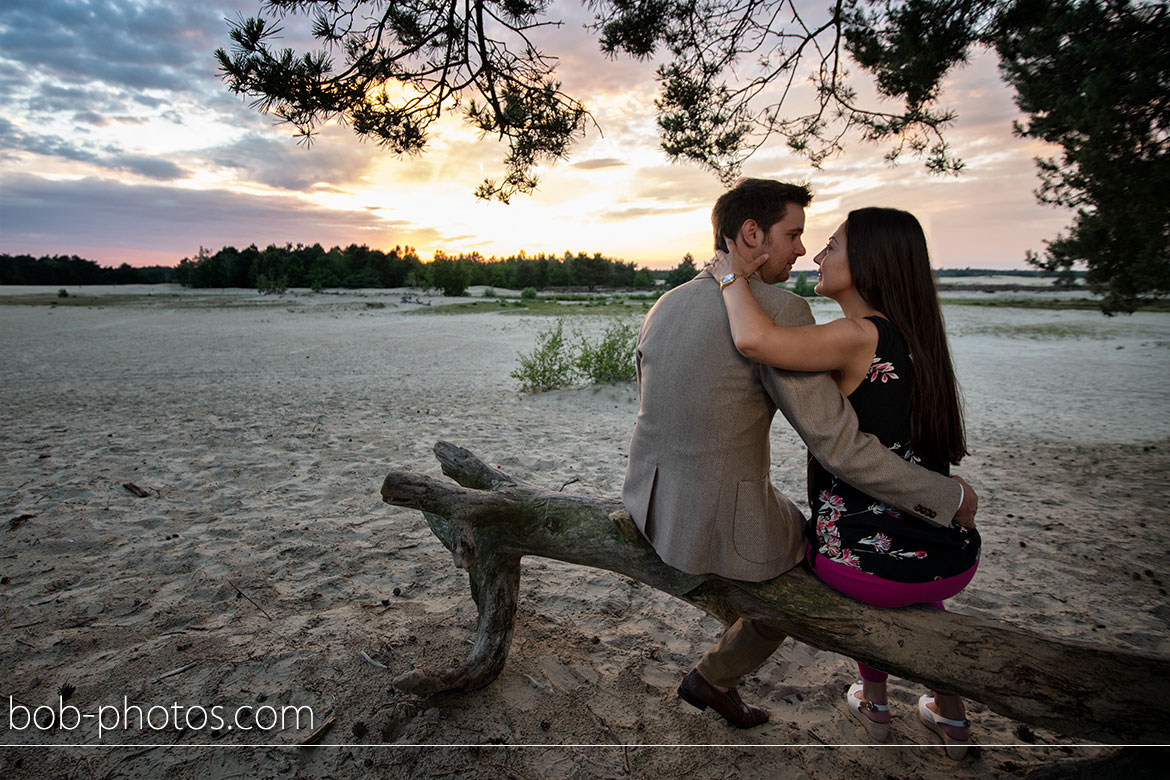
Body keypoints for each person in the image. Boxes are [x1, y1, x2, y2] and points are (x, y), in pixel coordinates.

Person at [621, 179, 977, 734]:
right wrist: (947, 495)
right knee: (802, 561)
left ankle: (877, 691)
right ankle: (715, 676)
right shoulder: (780, 309)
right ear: (752, 233)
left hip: (647, 499)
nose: (801, 250)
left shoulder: (666, 302)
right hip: (714, 520)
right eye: (793, 235)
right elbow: (836, 444)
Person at [708, 206, 981, 758]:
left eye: (831, 245)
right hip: (948, 560)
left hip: (860, 566)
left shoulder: (857, 336)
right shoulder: (917, 335)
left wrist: (728, 275)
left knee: (860, 554)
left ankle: (876, 707)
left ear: (869, 261)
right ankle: (948, 719)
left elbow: (757, 342)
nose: (815, 254)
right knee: (905, 574)